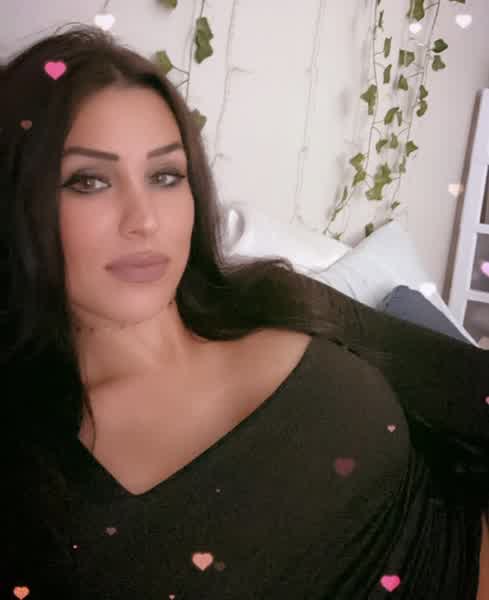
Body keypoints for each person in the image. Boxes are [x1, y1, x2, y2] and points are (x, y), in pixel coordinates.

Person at [0, 23, 487, 600]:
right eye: (88, 181)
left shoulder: (276, 300)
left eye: (165, 176)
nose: (144, 219)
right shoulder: (30, 475)